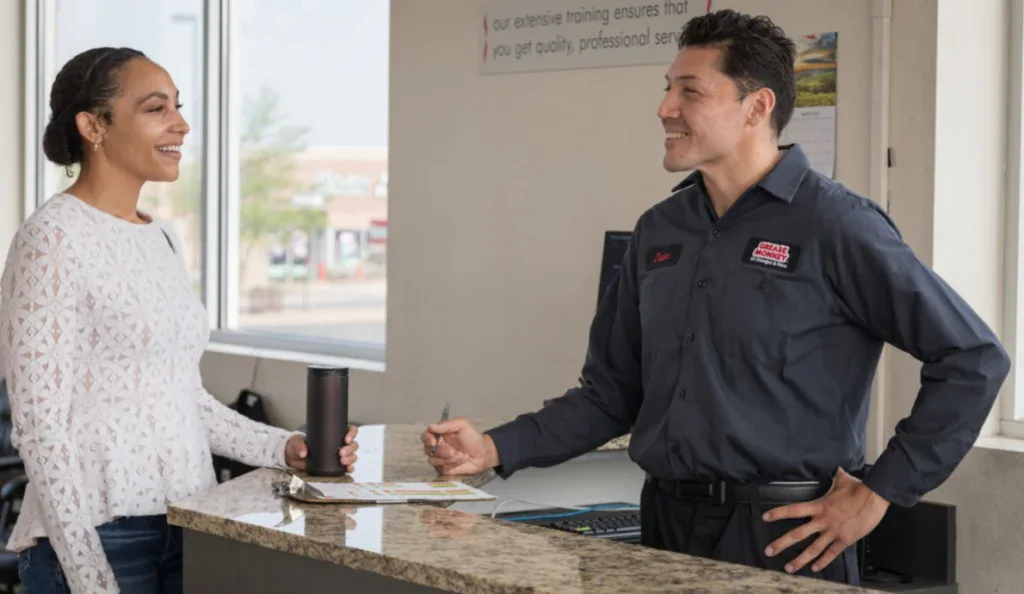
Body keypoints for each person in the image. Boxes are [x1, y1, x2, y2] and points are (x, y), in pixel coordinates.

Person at [422, 9, 1010, 587]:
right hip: (663, 527)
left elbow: (973, 358)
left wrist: (882, 491)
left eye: (690, 91)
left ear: (757, 107)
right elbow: (609, 395)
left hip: (784, 539)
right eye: (667, 88)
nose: (664, 108)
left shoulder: (837, 226)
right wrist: (495, 447)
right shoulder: (659, 231)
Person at [0, 47, 360, 594]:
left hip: (192, 525)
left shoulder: (161, 237)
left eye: (179, 106)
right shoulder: (52, 238)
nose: (182, 124)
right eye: (156, 108)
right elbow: (39, 430)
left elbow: (182, 398)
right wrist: (90, 576)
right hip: (100, 541)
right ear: (94, 125)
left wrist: (284, 448)